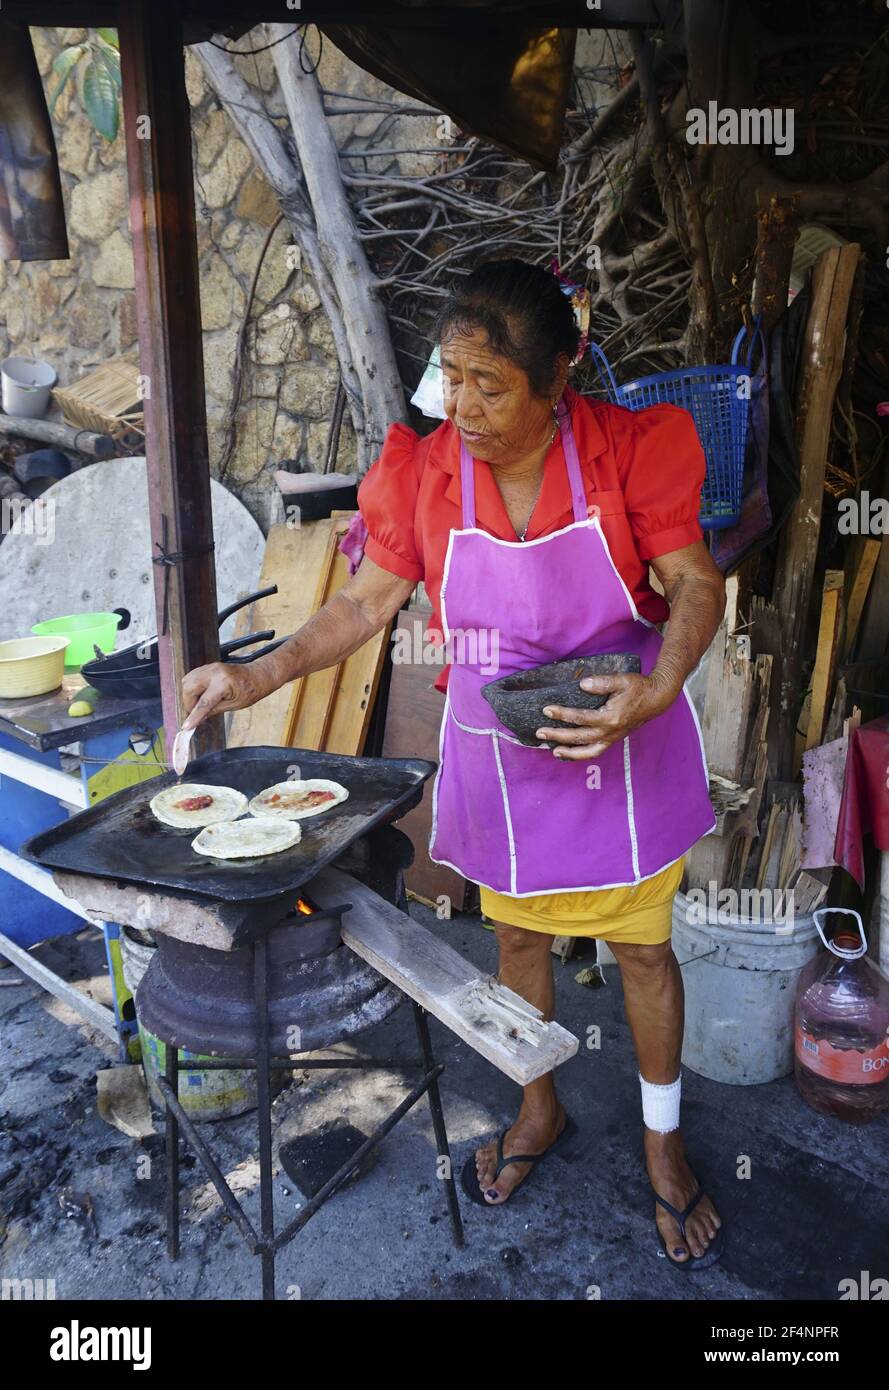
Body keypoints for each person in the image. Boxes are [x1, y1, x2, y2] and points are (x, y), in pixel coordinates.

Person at [182, 259, 727, 1268]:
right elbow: (362, 604)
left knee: (643, 953)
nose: (464, 408)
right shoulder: (429, 470)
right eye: (451, 377)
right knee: (516, 946)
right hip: (503, 755)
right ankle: (537, 1107)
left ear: (555, 379)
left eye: (490, 384)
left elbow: (692, 582)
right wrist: (257, 679)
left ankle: (662, 1139)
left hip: (621, 734)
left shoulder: (623, 452)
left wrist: (657, 689)